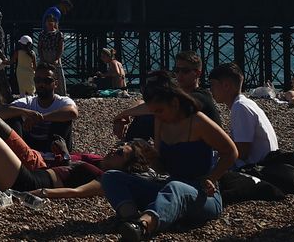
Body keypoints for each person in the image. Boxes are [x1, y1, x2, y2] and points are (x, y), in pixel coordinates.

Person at [99, 76, 237, 238]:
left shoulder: (197, 121)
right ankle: (129, 219)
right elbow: (162, 168)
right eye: (154, 111)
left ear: (175, 103)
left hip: (202, 195)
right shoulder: (161, 122)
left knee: (175, 187)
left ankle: (142, 226)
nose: (156, 115)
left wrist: (212, 178)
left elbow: (231, 152)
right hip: (170, 187)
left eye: (159, 111)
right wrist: (151, 157)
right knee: (111, 177)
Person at [207, 62, 278, 167]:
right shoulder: (246, 103)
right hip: (267, 162)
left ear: (226, 85)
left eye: (212, 85)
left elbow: (242, 152)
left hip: (256, 167)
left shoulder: (240, 107)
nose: (210, 89)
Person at [0, 67, 79, 157]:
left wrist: (40, 118)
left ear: (55, 84)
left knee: (64, 119)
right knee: (13, 116)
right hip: (29, 145)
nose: (42, 84)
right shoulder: (28, 102)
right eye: (38, 80)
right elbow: (0, 112)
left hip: (53, 145)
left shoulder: (62, 101)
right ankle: (19, 153)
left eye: (47, 81)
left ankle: (56, 156)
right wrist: (26, 112)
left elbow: (73, 112)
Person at [38, 13, 66, 92]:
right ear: (45, 23)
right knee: (43, 73)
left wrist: (57, 58)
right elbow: (39, 47)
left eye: (51, 21)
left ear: (55, 22)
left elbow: (61, 47)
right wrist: (42, 58)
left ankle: (61, 92)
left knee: (58, 74)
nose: (50, 23)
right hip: (45, 55)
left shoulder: (59, 34)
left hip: (55, 55)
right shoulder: (42, 34)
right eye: (48, 21)